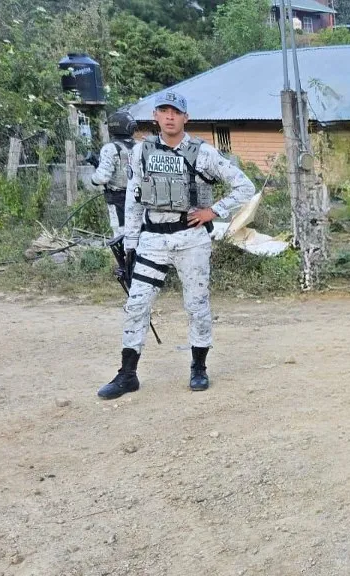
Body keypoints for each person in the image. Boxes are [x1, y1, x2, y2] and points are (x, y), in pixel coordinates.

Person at [97, 91, 255, 400]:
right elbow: (133, 199)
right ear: (155, 116)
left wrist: (214, 211)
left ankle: (198, 368)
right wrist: (130, 242)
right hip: (152, 240)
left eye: (176, 111)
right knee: (137, 304)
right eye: (164, 111)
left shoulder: (203, 153)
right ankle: (127, 374)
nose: (170, 116)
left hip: (191, 239)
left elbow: (244, 186)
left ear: (186, 118)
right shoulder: (141, 152)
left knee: (196, 305)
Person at [89, 110, 137, 237]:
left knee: (120, 233)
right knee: (136, 231)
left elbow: (102, 177)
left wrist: (93, 179)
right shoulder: (138, 146)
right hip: (137, 196)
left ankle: (124, 256)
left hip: (118, 199)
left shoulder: (110, 148)